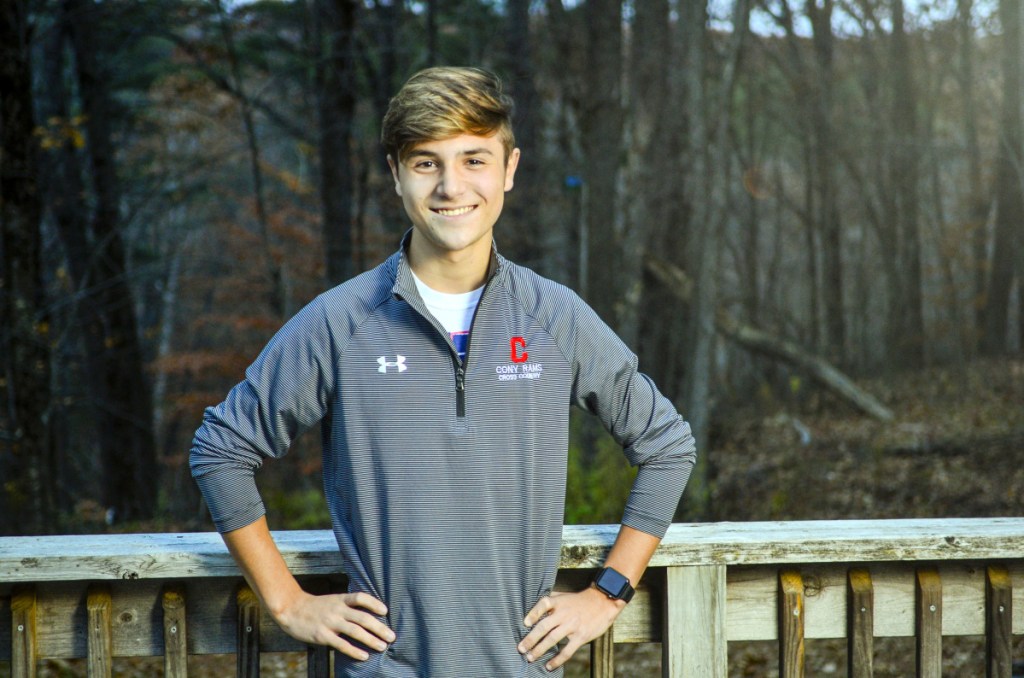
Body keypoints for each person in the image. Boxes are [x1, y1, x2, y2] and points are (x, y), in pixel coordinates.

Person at [190, 66, 696, 677]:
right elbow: (221, 450)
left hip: (522, 668)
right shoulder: (341, 321)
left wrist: (608, 591)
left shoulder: (554, 319)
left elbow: (668, 446)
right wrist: (286, 601)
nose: (451, 186)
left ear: (509, 169)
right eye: (427, 162)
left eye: (474, 159)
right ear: (396, 175)